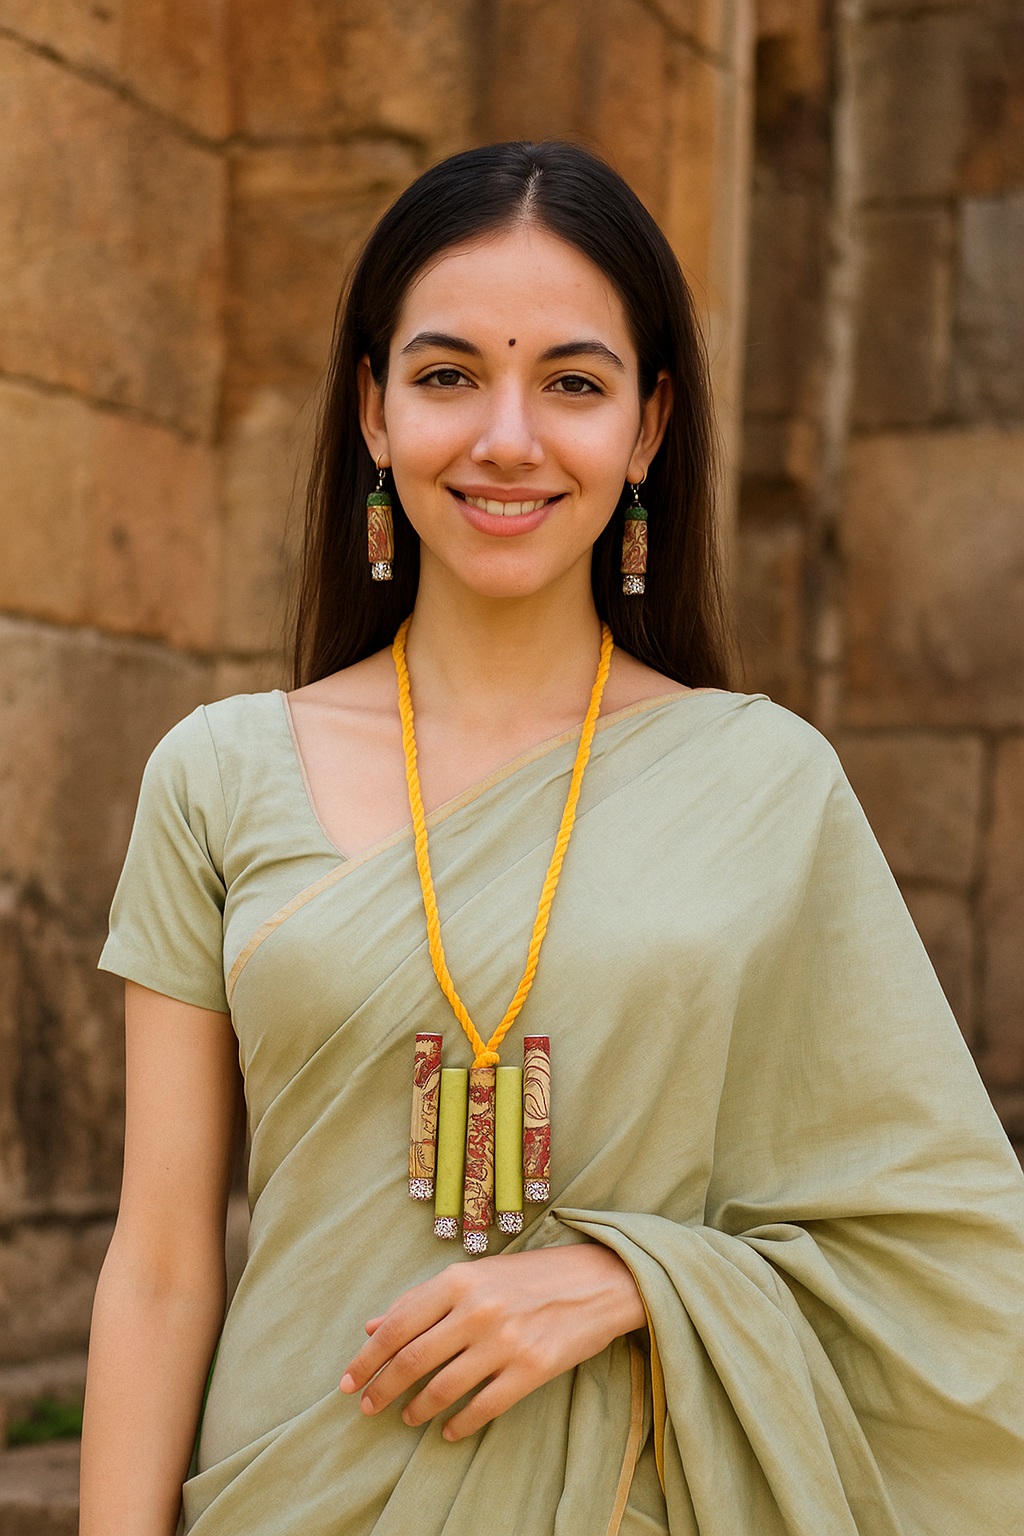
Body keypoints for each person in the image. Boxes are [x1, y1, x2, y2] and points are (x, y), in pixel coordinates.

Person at [80, 141, 1024, 1536]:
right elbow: (160, 1262)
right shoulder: (219, 774)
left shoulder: (762, 782)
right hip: (290, 1487)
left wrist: (632, 1280)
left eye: (572, 383)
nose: (507, 438)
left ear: (647, 429)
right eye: (449, 375)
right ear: (373, 412)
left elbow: (950, 1251)